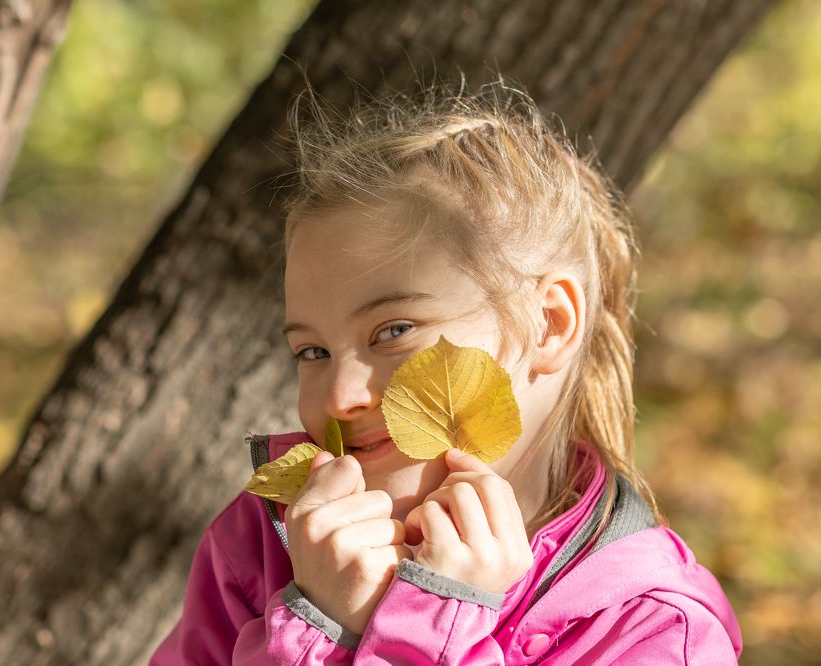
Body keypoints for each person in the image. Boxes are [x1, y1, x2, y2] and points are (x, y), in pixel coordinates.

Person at [149, 85, 742, 664]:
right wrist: (319, 616)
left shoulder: (654, 630)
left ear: (548, 325)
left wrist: (432, 623)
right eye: (312, 352)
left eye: (393, 331)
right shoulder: (261, 547)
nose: (340, 396)